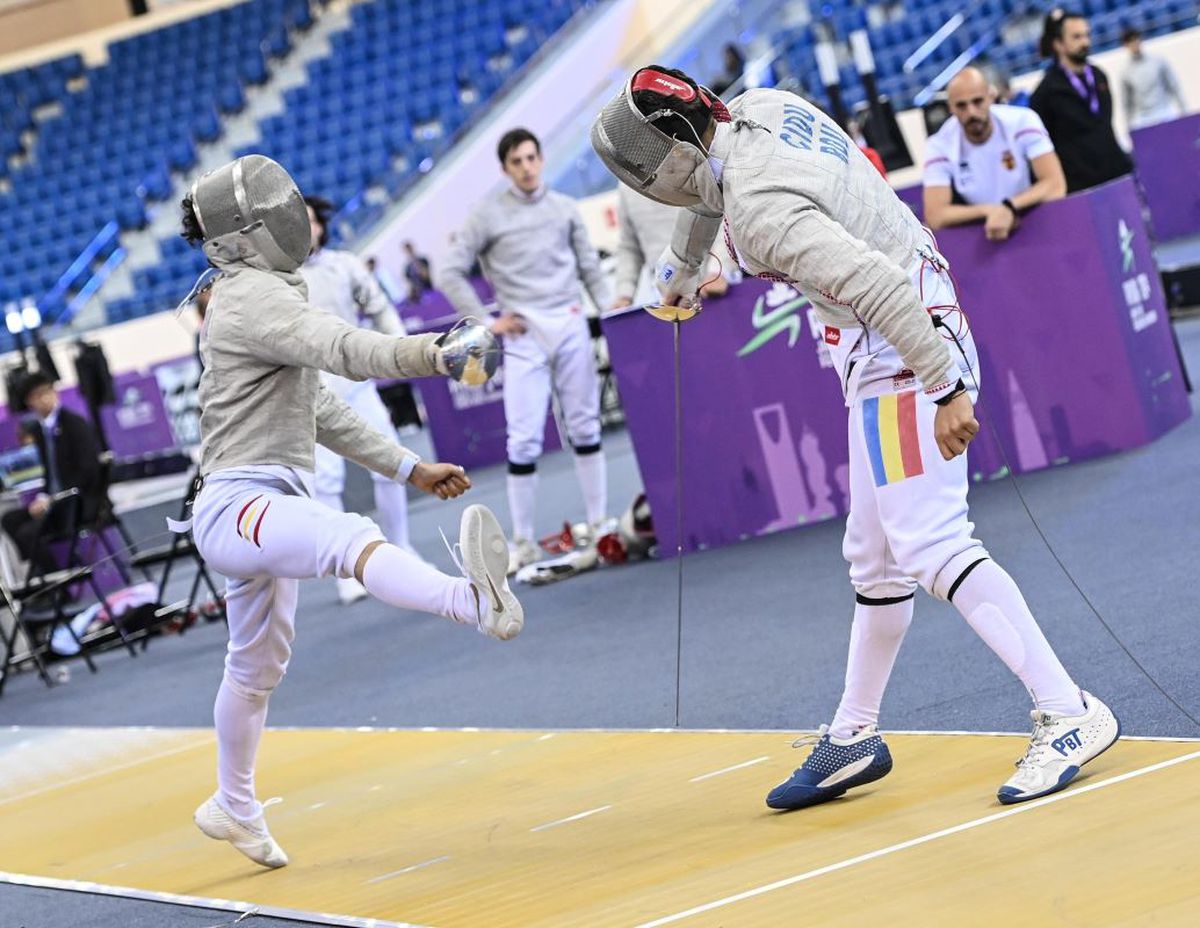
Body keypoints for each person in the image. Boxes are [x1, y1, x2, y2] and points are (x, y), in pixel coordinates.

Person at [591, 66, 1118, 809]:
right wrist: (682, 269)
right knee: (874, 559)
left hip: (902, 350)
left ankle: (1069, 712)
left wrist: (945, 388)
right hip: (887, 340)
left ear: (671, 149)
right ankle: (855, 735)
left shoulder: (766, 213)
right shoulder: (756, 108)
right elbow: (711, 188)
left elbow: (875, 284)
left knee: (932, 545)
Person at [179, 155, 523, 870]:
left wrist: (408, 467)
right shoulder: (246, 297)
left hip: (263, 500)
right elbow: (343, 350)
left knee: (255, 670)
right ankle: (473, 603)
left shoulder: (264, 292)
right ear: (238, 237)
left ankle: (232, 806)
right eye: (270, 211)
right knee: (349, 537)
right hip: (237, 503)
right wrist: (435, 352)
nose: (291, 218)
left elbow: (322, 409)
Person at [438, 128, 613, 573]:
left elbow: (591, 268)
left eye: (532, 158)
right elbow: (450, 273)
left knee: (585, 423)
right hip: (522, 333)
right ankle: (522, 542)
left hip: (570, 321)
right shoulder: (486, 214)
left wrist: (612, 312)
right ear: (505, 169)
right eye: (517, 161)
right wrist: (487, 321)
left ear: (540, 158)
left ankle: (598, 521)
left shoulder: (565, 209)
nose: (527, 167)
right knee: (524, 436)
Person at [302, 195, 422, 605]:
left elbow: (380, 309)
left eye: (310, 221)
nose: (304, 229)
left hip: (356, 383)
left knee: (393, 462)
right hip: (313, 392)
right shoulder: (281, 281)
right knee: (328, 481)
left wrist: (405, 350)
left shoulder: (345, 266)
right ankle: (348, 569)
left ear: (321, 225)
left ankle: (401, 548)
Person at [924, 66, 1066, 239]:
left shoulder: (1023, 120)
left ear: (991, 97)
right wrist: (991, 211)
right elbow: (935, 216)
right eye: (961, 105)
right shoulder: (939, 144)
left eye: (977, 101)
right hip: (982, 232)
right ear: (950, 108)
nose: (971, 112)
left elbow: (1055, 185)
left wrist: (1010, 207)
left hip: (1034, 219)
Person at [1, 372, 104, 575]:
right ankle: (46, 570)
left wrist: (53, 500)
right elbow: (51, 472)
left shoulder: (75, 424)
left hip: (77, 502)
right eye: (37, 395)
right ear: (29, 401)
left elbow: (88, 473)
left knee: (28, 533)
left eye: (47, 392)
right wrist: (44, 497)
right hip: (56, 501)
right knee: (9, 519)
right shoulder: (40, 430)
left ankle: (59, 583)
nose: (44, 398)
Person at [1030, 10, 1132, 193]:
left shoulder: (1099, 75)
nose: (1085, 42)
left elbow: (1106, 126)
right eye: (1076, 37)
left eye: (1087, 35)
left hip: (1116, 176)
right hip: (1081, 189)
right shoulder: (1045, 92)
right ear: (1059, 44)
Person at [611, 183, 730, 311]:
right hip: (663, 296)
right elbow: (629, 247)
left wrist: (718, 271)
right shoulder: (627, 184)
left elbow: (722, 217)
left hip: (709, 289)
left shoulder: (694, 168)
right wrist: (624, 294)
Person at [1120, 27, 1186, 130]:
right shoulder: (1125, 73)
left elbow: (1174, 86)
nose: (1134, 44)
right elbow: (1127, 102)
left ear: (1140, 40)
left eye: (1136, 39)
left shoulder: (1158, 61)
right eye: (1130, 41)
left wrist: (1184, 111)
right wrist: (1128, 126)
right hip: (1143, 118)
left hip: (1165, 111)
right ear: (1125, 45)